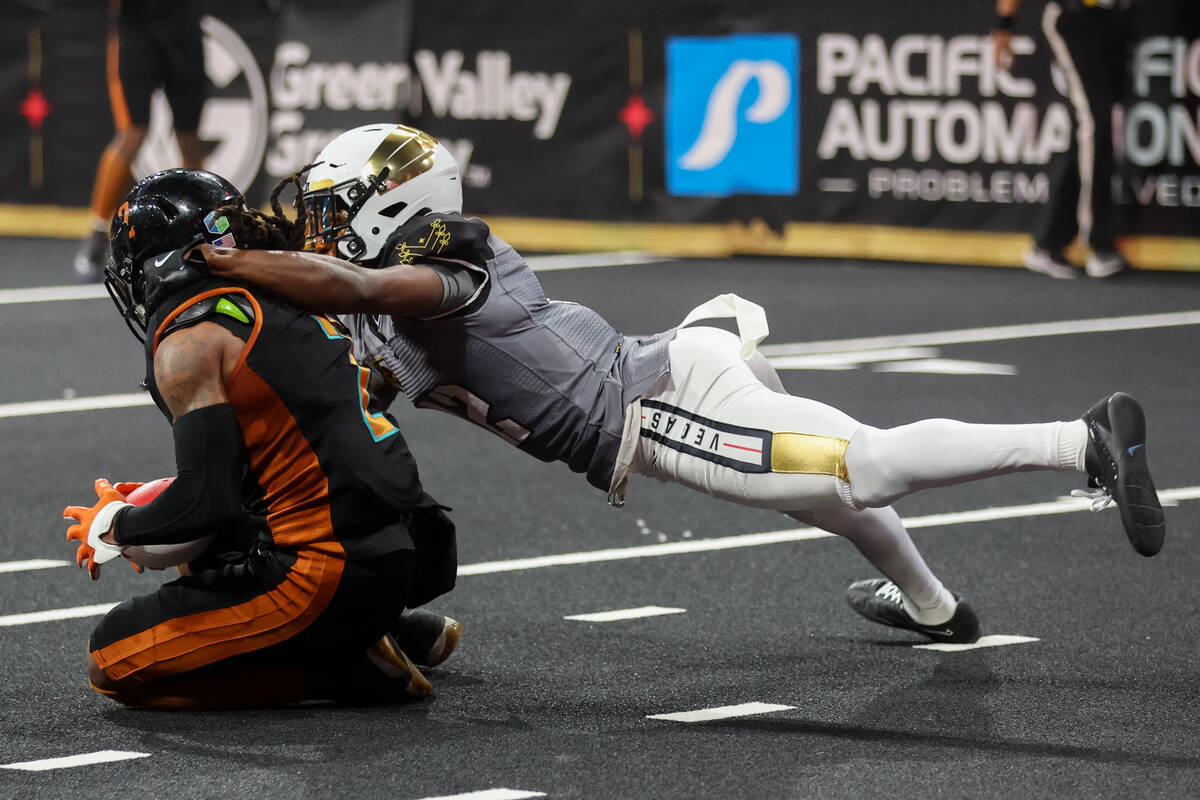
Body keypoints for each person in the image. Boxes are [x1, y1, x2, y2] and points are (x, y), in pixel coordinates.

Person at [196, 123, 1165, 645]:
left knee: (858, 470)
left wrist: (226, 267)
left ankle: (1078, 439)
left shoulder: (436, 262)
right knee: (830, 495)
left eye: (332, 211)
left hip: (658, 408)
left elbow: (358, 284)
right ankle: (933, 607)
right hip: (677, 359)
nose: (317, 230)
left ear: (391, 205)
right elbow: (353, 382)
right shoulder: (386, 294)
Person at [62, 168, 460, 709]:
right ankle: (388, 629)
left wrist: (114, 524)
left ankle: (345, 670)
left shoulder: (191, 340)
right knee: (219, 537)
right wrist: (159, 499)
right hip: (405, 546)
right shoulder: (280, 291)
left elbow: (207, 503)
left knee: (111, 662)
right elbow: (274, 455)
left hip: (328, 569)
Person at [993, 0, 1134, 279]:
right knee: (1097, 123)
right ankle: (1098, 243)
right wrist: (1004, 26)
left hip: (1114, 17)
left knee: (1090, 135)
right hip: (1074, 16)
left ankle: (1049, 241)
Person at [74, 0, 210, 283]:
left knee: (189, 138)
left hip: (182, 26)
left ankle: (202, 233)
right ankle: (97, 234)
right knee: (132, 133)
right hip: (137, 27)